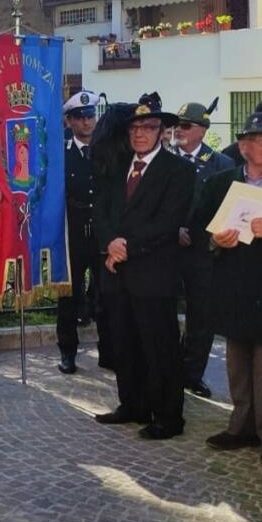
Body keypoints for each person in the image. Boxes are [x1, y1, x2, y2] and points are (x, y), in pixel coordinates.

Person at [195, 113, 262, 468]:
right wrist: (214, 240)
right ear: (243, 147)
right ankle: (241, 426)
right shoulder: (218, 183)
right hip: (233, 287)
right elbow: (197, 227)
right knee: (238, 365)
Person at [92, 94, 194, 440]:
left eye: (148, 127)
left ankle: (168, 416)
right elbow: (101, 212)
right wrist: (109, 243)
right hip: (117, 272)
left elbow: (168, 222)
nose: (140, 134)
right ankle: (133, 405)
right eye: (134, 128)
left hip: (153, 274)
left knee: (159, 347)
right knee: (124, 343)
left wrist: (127, 247)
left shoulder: (178, 170)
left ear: (161, 131)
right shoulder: (117, 166)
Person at [170, 101, 235, 398]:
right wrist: (174, 229)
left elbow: (227, 208)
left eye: (185, 126)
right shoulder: (163, 159)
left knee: (201, 317)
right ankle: (166, 368)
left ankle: (192, 374)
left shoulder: (220, 164)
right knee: (163, 312)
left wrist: (204, 236)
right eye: (175, 126)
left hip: (203, 252)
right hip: (166, 249)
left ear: (203, 130)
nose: (178, 131)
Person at [58, 90, 100, 374]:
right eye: (80, 117)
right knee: (68, 296)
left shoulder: (107, 151)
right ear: (69, 121)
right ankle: (67, 353)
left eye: (90, 116)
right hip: (70, 229)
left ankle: (109, 349)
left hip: (101, 229)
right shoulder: (60, 154)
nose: (87, 122)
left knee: (107, 294)